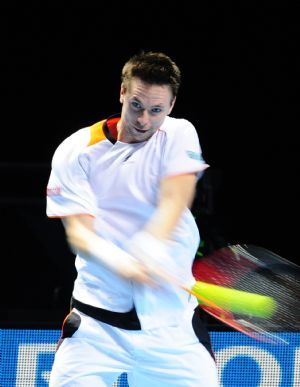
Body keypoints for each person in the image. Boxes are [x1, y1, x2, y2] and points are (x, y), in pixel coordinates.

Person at [46, 51, 219, 386]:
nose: (144, 120)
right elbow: (79, 234)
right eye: (136, 105)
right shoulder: (77, 150)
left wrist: (152, 244)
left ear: (170, 106)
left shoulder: (180, 133)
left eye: (156, 110)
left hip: (173, 332)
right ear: (122, 93)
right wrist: (123, 262)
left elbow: (176, 196)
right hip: (96, 329)